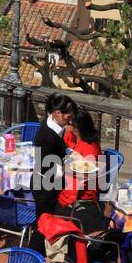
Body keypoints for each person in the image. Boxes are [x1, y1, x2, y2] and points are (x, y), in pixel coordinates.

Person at [29, 94, 77, 241]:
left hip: (46, 181)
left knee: (43, 222)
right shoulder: (48, 136)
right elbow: (47, 165)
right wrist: (70, 167)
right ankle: (33, 257)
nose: (70, 119)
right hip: (45, 185)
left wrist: (69, 153)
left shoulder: (52, 124)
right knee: (43, 226)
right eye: (68, 116)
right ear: (58, 113)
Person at [59, 107, 103, 208]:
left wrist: (65, 169)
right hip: (67, 181)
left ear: (77, 128)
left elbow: (88, 175)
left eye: (68, 123)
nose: (65, 125)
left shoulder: (90, 148)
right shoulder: (72, 137)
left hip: (81, 191)